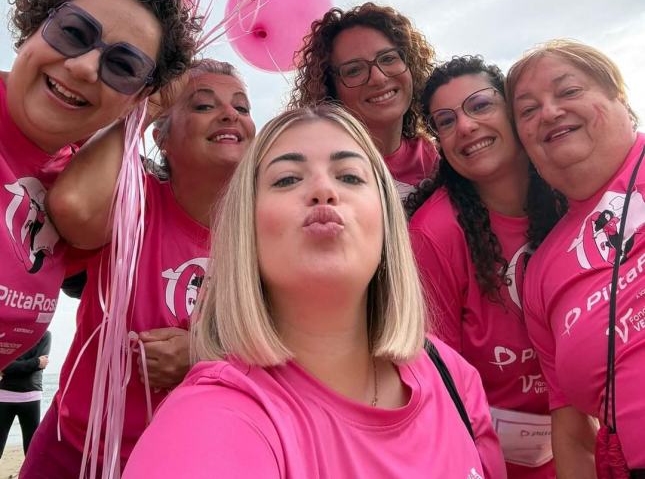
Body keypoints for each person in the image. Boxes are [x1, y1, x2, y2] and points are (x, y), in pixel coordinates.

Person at [123, 104, 506, 479]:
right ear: (247, 229)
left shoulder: (452, 375)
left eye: (351, 177)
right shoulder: (209, 421)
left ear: (388, 221)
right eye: (287, 178)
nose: (323, 190)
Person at [20, 60, 256, 477]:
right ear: (161, 137)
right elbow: (74, 207)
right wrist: (147, 107)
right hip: (74, 446)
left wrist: (207, 354)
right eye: (203, 105)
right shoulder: (133, 201)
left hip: (189, 459)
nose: (230, 114)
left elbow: (299, 347)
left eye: (242, 106)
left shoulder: (270, 232)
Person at [0, 0, 199, 372]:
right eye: (74, 32)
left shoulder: (75, 180)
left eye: (123, 66)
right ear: (35, 25)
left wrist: (149, 109)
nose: (87, 67)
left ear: (136, 100)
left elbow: (80, 214)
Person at [408, 56, 567, 478]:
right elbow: (439, 379)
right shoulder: (432, 234)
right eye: (445, 121)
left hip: (597, 436)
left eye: (480, 106)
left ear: (513, 113)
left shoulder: (569, 192)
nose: (465, 126)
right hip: (493, 458)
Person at [506, 39, 645, 478]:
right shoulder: (541, 270)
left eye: (567, 92)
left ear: (618, 95)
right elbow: (573, 435)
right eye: (528, 110)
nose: (548, 112)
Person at [289, 3, 438, 203]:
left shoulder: (440, 155)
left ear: (409, 64)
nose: (378, 78)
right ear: (331, 90)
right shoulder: (319, 179)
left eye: (388, 58)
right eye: (354, 70)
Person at [0, 331, 51, 457]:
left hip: (31, 398)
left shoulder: (44, 335)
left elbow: (42, 364)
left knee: (31, 452)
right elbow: (4, 366)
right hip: (4, 397)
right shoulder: (5, 335)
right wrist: (35, 362)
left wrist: (10, 365)